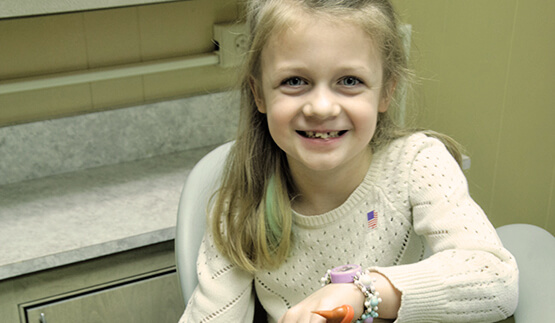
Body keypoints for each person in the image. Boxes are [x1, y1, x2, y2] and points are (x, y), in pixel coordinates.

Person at [179, 0, 518, 322]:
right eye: (294, 81)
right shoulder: (240, 206)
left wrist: (362, 292)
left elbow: (495, 280)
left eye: (350, 81)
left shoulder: (417, 164)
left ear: (386, 91)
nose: (322, 107)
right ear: (259, 94)